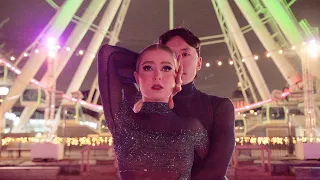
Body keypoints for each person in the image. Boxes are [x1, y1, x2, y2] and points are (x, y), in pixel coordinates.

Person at [99, 27, 235, 179]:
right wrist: (156, 60)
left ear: (199, 63)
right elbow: (110, 57)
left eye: (185, 54)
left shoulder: (219, 107)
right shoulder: (139, 103)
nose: (179, 62)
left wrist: (162, 63)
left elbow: (215, 171)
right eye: (172, 55)